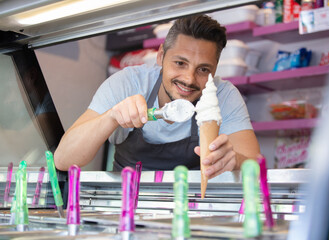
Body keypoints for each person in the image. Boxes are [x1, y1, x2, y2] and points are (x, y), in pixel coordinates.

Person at [54, 14, 260, 179]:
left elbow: (255, 165)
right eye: (180, 63)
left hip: (190, 208)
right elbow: (63, 160)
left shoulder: (224, 95)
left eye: (203, 69)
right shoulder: (127, 83)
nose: (189, 79)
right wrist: (111, 117)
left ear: (215, 69)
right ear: (161, 56)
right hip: (123, 206)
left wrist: (235, 160)